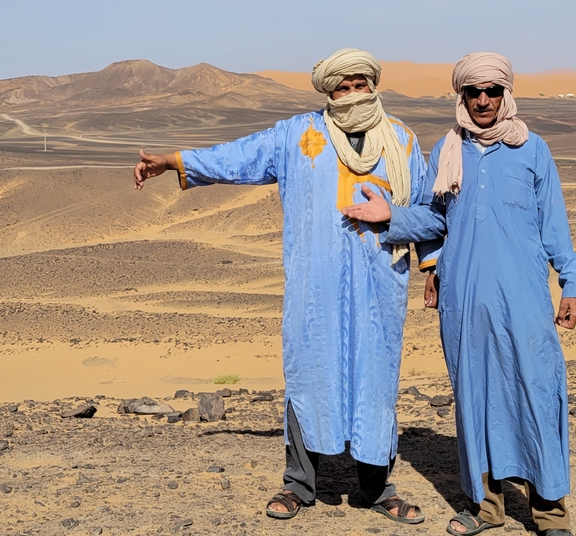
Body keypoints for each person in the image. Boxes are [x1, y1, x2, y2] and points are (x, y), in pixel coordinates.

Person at [134, 49, 430, 525]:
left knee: (374, 381)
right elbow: (239, 156)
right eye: (342, 86)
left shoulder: (402, 140)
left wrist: (428, 262)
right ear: (327, 91)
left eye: (360, 84)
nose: (352, 94)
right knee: (309, 375)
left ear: (374, 85)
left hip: (379, 287)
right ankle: (299, 485)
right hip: (316, 289)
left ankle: (378, 488)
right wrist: (174, 161)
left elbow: (427, 209)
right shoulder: (296, 136)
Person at [342, 52, 576, 536]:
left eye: (491, 91)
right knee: (475, 398)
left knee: (537, 392)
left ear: (505, 95)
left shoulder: (531, 149)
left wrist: (572, 284)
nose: (482, 101)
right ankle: (487, 508)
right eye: (472, 92)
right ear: (461, 96)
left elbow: (554, 223)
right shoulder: (446, 150)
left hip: (523, 299)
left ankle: (550, 513)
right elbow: (436, 220)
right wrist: (390, 217)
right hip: (465, 300)